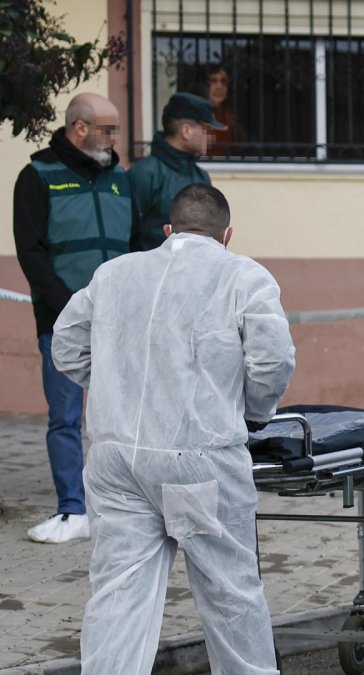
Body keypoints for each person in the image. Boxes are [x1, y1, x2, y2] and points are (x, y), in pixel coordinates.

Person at [52, 184, 294, 674]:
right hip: (201, 460)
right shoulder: (243, 276)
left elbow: (66, 345)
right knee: (230, 595)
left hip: (116, 458)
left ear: (168, 230)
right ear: (227, 235)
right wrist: (250, 412)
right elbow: (273, 361)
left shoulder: (114, 273)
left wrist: (113, 387)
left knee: (118, 593)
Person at [12, 92, 140, 544]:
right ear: (79, 128)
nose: (115, 138)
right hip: (62, 321)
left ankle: (123, 504)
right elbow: (31, 252)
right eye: (108, 129)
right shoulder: (37, 177)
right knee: (65, 417)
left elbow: (137, 244)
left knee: (126, 415)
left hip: (121, 320)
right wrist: (70, 307)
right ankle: (72, 510)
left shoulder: (120, 179)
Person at [129, 92, 226, 249]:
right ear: (186, 131)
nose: (211, 137)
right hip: (153, 272)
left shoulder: (201, 177)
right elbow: (128, 233)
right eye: (206, 130)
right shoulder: (145, 174)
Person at [206, 65, 238, 157]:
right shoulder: (194, 115)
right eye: (213, 81)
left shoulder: (230, 115)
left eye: (223, 81)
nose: (219, 86)